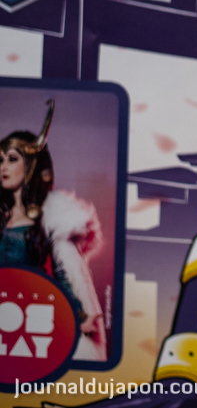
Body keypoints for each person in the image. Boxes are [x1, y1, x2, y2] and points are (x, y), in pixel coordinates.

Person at [0, 99, 107, 361]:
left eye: (12, 160)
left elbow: (64, 276)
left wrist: (80, 314)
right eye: (0, 160)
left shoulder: (50, 223)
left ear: (31, 164)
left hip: (24, 324)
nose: (3, 167)